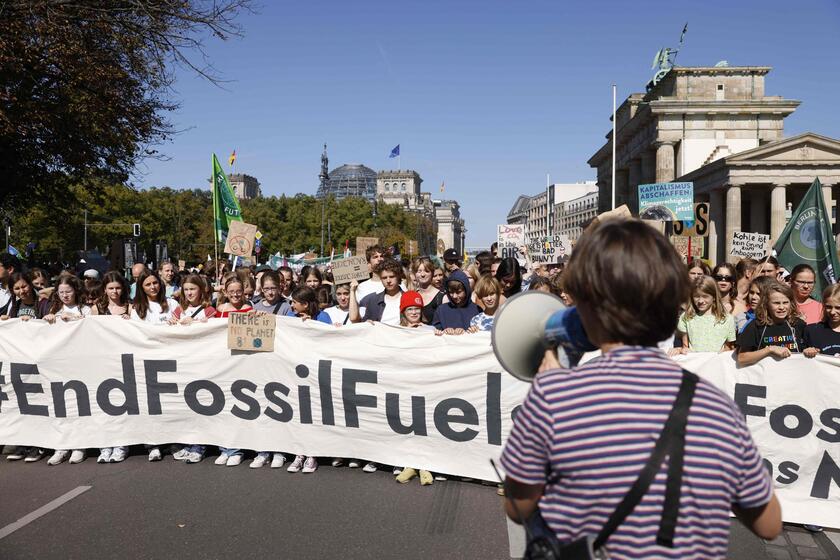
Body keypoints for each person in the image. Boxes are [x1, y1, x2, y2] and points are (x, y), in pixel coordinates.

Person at [501, 218, 781, 559]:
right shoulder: (715, 406)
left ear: (588, 307)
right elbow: (769, 524)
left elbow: (518, 506)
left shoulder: (554, 396)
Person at [737, 281, 805, 367]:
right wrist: (770, 349)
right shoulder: (755, 325)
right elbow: (742, 358)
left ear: (791, 303)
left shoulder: (799, 324)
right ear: (766, 304)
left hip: (793, 375)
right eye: (776, 303)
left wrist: (810, 351)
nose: (781, 307)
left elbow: (807, 350)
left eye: (785, 302)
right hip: (765, 377)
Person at [675, 276, 736, 353]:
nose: (700, 301)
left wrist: (724, 351)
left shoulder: (727, 319)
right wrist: (681, 350)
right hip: (695, 362)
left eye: (705, 296)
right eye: (696, 296)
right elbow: (685, 346)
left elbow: (729, 347)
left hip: (717, 362)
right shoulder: (686, 317)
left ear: (714, 297)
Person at [350, 259, 405, 326]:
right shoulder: (372, 300)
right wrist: (367, 323)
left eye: (391, 277)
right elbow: (359, 321)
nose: (388, 281)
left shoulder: (409, 298)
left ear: (398, 276)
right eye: (384, 278)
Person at [803, 284, 840, 357]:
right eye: (828, 307)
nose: (832, 312)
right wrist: (806, 352)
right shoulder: (812, 331)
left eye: (838, 308)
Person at [411, 257, 444, 325]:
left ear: (432, 273)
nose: (422, 274)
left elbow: (446, 324)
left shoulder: (442, 297)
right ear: (415, 274)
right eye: (419, 271)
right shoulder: (412, 296)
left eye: (426, 271)